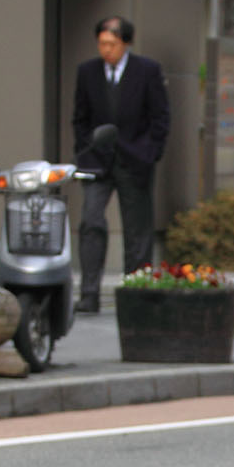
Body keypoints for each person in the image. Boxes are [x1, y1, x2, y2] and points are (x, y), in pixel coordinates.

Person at [71, 16, 169, 313]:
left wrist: (150, 152)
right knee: (91, 221)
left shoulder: (147, 71)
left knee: (137, 229)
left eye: (112, 44)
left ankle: (136, 293)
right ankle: (89, 293)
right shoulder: (87, 72)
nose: (106, 50)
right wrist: (85, 149)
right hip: (97, 161)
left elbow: (160, 116)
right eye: (102, 44)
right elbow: (80, 116)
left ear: (125, 43)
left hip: (135, 158)